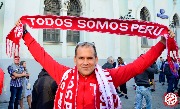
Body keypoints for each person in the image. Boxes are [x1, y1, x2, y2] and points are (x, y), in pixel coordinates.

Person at [18, 21, 175, 108]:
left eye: (89, 58)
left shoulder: (110, 77)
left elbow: (138, 65)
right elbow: (43, 57)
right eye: (81, 58)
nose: (85, 63)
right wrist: (25, 34)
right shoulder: (64, 74)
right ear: (75, 60)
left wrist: (161, 43)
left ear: (96, 59)